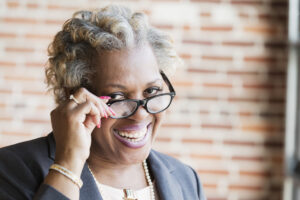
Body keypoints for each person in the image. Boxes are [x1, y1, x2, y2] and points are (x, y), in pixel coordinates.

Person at [0, 5, 206, 200]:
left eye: (151, 91)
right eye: (117, 97)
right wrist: (68, 164)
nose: (141, 114)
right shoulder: (12, 168)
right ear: (76, 97)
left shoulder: (185, 179)